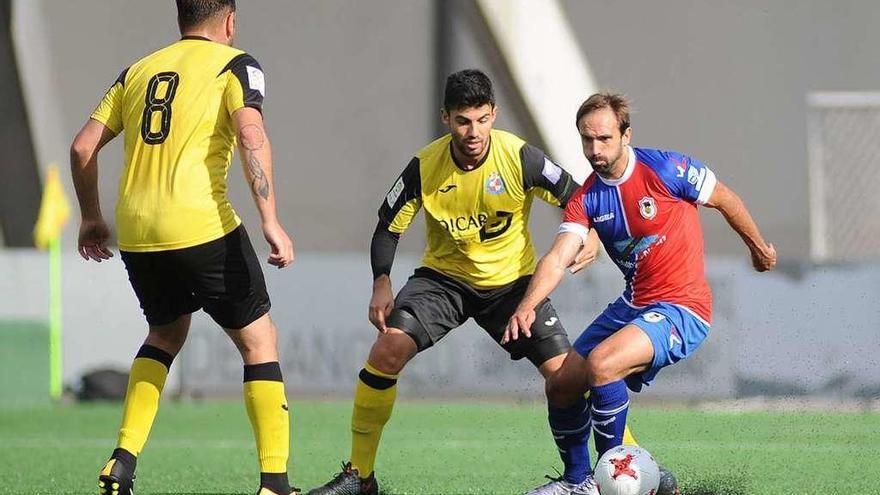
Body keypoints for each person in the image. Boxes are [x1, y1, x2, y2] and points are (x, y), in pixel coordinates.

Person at [307, 70, 671, 495]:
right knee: (387, 348)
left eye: (482, 119)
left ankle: (635, 469)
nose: (473, 131)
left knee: (570, 378)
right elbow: (388, 227)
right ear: (446, 117)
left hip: (513, 288)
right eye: (463, 120)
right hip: (443, 281)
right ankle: (360, 477)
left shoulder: (520, 157)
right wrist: (381, 281)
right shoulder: (425, 166)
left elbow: (577, 195)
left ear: (494, 114)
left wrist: (590, 234)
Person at [69, 1, 296, 494]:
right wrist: (270, 220)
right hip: (201, 224)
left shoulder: (138, 70)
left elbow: (82, 147)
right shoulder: (237, 64)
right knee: (259, 343)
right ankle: (275, 483)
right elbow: (252, 134)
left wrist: (91, 216)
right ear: (229, 20)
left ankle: (121, 463)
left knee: (166, 333)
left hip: (138, 232)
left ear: (181, 19)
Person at [506, 92, 778, 494]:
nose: (594, 150)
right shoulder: (586, 198)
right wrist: (527, 305)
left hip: (684, 308)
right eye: (586, 140)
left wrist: (759, 248)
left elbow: (726, 199)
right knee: (561, 385)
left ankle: (610, 482)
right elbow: (558, 256)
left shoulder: (667, 169)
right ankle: (577, 482)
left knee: (602, 364)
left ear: (626, 135)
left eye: (604, 139)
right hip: (634, 304)